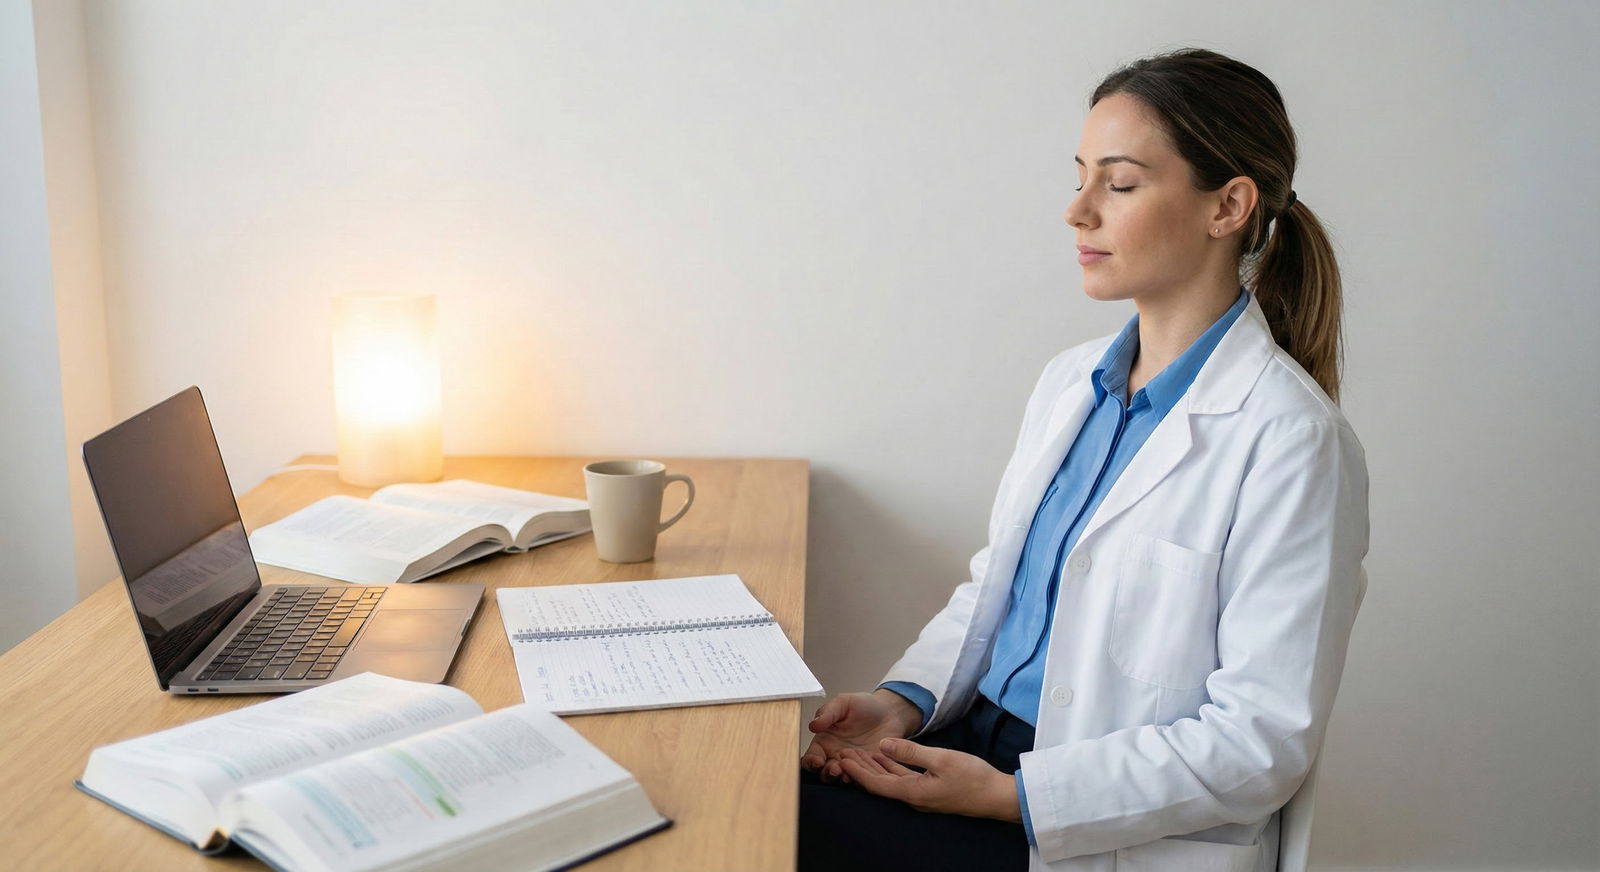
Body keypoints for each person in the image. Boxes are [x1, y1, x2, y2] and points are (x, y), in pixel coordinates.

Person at [798, 48, 1369, 872]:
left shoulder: (1292, 442)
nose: (1077, 211)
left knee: (759, 832)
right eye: (1079, 177)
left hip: (1082, 823)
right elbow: (999, 589)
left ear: (1229, 207)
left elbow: (1259, 742)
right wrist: (904, 703)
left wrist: (1009, 797)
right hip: (966, 749)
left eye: (1120, 183)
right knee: (740, 803)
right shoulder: (1072, 383)